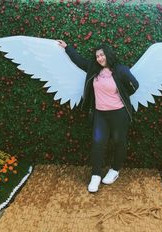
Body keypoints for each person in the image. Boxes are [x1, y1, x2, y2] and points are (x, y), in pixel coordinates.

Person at [58, 40, 139, 192]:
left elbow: (134, 85)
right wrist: (67, 47)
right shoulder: (93, 69)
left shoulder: (120, 70)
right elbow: (79, 60)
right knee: (97, 144)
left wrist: (122, 93)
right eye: (97, 56)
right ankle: (95, 175)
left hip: (119, 114)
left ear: (108, 54)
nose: (100, 58)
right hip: (100, 114)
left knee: (118, 142)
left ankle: (115, 170)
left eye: (102, 55)